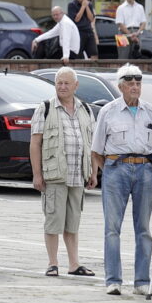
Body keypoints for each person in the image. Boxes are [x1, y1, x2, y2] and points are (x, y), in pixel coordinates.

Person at [89, 64, 152, 296]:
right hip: (116, 168)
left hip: (144, 170)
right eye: (130, 83)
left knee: (143, 228)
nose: (135, 87)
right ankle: (113, 280)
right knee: (112, 228)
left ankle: (142, 281)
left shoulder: (151, 111)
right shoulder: (109, 111)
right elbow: (96, 150)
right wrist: (111, 169)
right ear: (121, 86)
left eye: (138, 83)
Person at [29, 67, 95, 278]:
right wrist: (37, 174)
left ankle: (74, 264)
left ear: (76, 86)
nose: (63, 87)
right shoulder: (45, 108)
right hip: (54, 173)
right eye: (59, 83)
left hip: (78, 174)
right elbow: (35, 142)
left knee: (73, 221)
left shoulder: (85, 108)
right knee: (53, 220)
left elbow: (91, 143)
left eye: (67, 83)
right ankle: (52, 263)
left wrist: (93, 172)